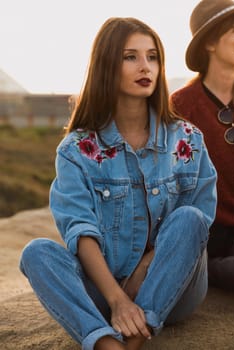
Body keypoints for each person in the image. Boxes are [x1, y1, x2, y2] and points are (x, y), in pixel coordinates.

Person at [19, 17, 217, 350]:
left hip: (175, 285)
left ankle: (136, 337)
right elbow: (79, 228)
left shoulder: (187, 139)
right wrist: (117, 299)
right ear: (107, 65)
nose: (146, 67)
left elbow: (198, 220)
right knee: (37, 252)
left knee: (190, 218)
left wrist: (144, 268)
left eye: (152, 57)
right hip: (104, 288)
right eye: (131, 57)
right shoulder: (77, 150)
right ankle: (107, 344)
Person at [170, 0, 234, 293]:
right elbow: (176, 181)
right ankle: (209, 270)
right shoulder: (181, 105)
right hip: (210, 235)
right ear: (211, 42)